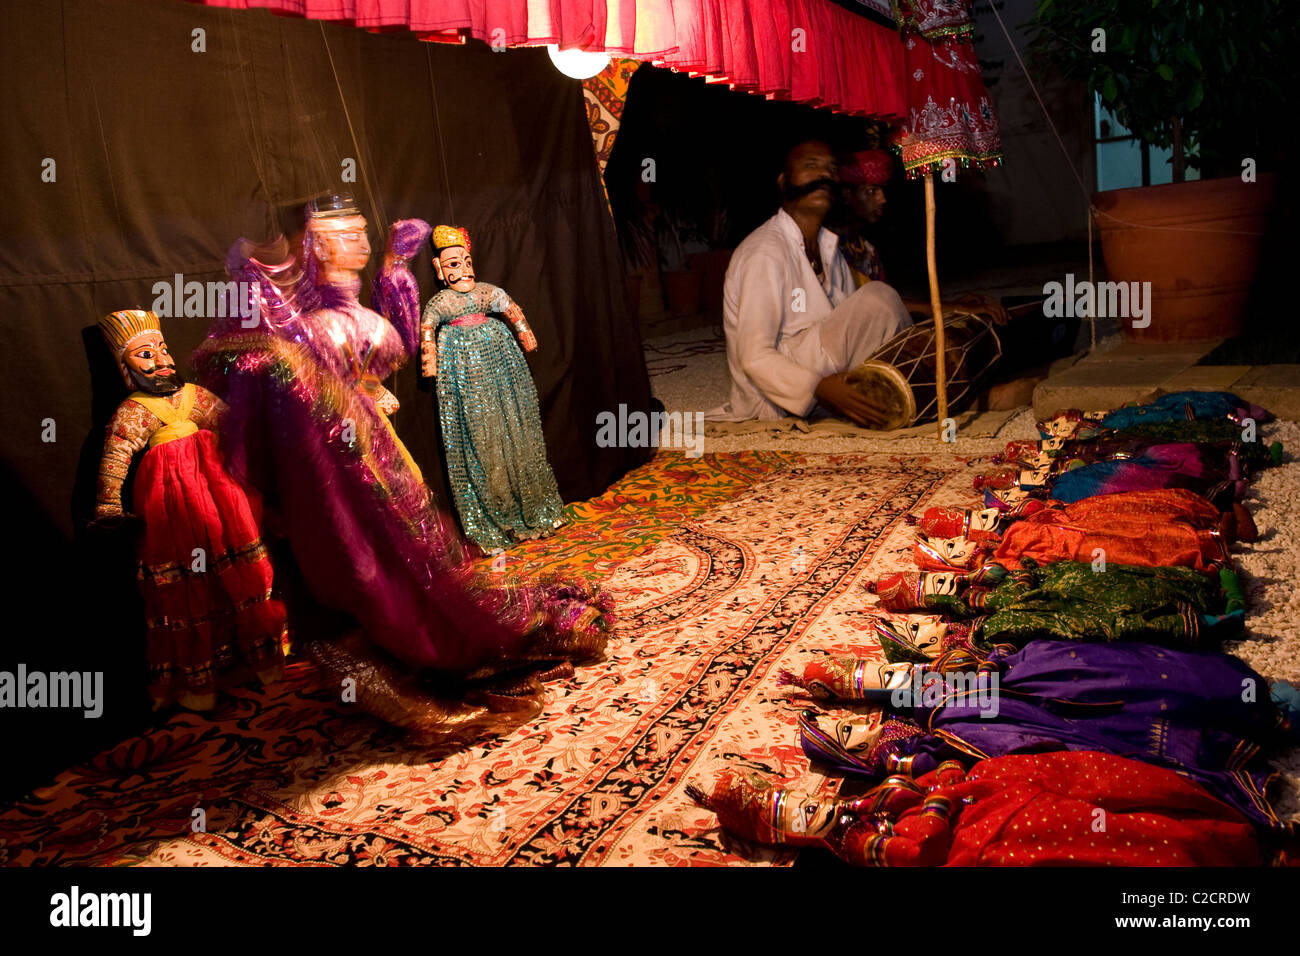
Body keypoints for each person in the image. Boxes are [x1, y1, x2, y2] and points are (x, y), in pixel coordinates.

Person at [194, 196, 611, 742]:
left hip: (369, 445)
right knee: (353, 560)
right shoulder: (301, 324)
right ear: (314, 244)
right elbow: (274, 376)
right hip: (326, 458)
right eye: (348, 233)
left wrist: (395, 273)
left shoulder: (347, 309)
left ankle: (425, 648)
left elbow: (398, 346)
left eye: (365, 230)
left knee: (409, 552)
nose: (362, 242)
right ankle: (372, 673)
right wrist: (322, 386)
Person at [92, 309, 286, 710]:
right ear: (124, 366)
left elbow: (232, 427)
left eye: (162, 349)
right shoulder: (132, 412)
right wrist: (108, 503)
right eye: (146, 354)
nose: (161, 359)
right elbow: (115, 456)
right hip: (171, 509)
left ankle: (263, 659)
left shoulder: (194, 396)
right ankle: (201, 682)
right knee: (185, 585)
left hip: (223, 504)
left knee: (241, 572)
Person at [419, 224, 567, 553]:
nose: (464, 270)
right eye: (454, 264)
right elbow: (428, 326)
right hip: (463, 369)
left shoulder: (486, 291)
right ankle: (496, 515)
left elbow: (509, 307)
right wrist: (429, 361)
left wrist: (525, 332)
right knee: (480, 434)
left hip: (500, 360)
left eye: (467, 262)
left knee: (515, 424)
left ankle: (537, 505)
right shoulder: (441, 301)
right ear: (439, 269)